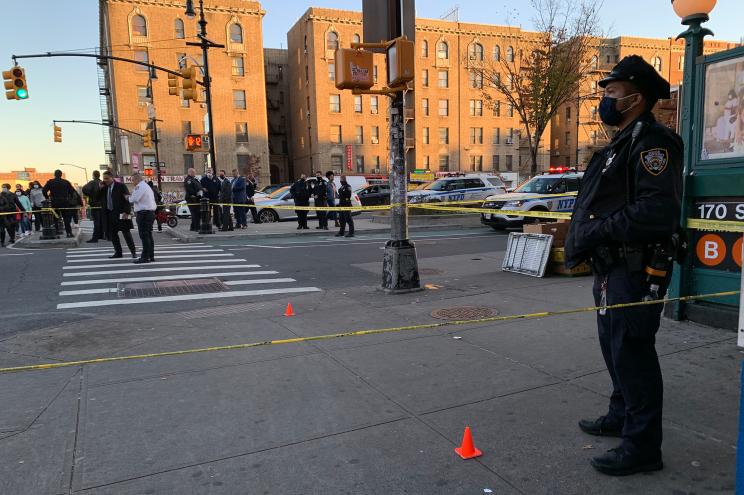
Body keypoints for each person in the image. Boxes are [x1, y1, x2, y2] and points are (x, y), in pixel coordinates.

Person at [565, 55, 683, 477]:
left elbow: (657, 210)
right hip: (612, 268)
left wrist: (599, 232)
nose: (606, 100)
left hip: (636, 269)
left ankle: (643, 445)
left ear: (636, 97)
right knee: (614, 349)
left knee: (634, 354)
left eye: (612, 93)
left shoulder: (652, 142)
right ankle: (621, 415)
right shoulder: (622, 142)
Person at [102, 171, 136, 259]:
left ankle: (133, 252)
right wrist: (100, 187)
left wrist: (127, 212)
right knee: (113, 235)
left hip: (122, 214)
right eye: (104, 178)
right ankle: (118, 252)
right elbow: (98, 197)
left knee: (126, 234)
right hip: (110, 215)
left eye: (107, 178)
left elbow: (127, 199)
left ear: (112, 178)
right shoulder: (104, 188)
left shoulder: (121, 186)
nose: (105, 180)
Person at [128, 173, 157, 264]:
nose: (132, 182)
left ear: (137, 179)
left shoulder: (139, 187)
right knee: (148, 235)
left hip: (144, 214)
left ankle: (145, 257)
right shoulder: (146, 186)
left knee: (144, 236)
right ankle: (150, 255)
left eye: (132, 180)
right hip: (149, 213)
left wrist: (128, 197)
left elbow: (133, 199)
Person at [42, 169, 76, 238]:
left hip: (54, 202)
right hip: (64, 202)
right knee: (66, 218)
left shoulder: (50, 182)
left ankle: (57, 232)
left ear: (54, 175)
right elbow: (72, 192)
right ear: (61, 175)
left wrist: (47, 197)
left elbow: (44, 190)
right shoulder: (66, 182)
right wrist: (69, 199)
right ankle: (69, 233)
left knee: (55, 218)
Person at [82, 171, 104, 243]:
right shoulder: (102, 182)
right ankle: (101, 235)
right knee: (101, 221)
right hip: (102, 205)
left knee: (96, 222)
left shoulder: (92, 183)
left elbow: (84, 189)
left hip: (95, 204)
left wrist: (90, 195)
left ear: (93, 176)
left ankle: (95, 238)